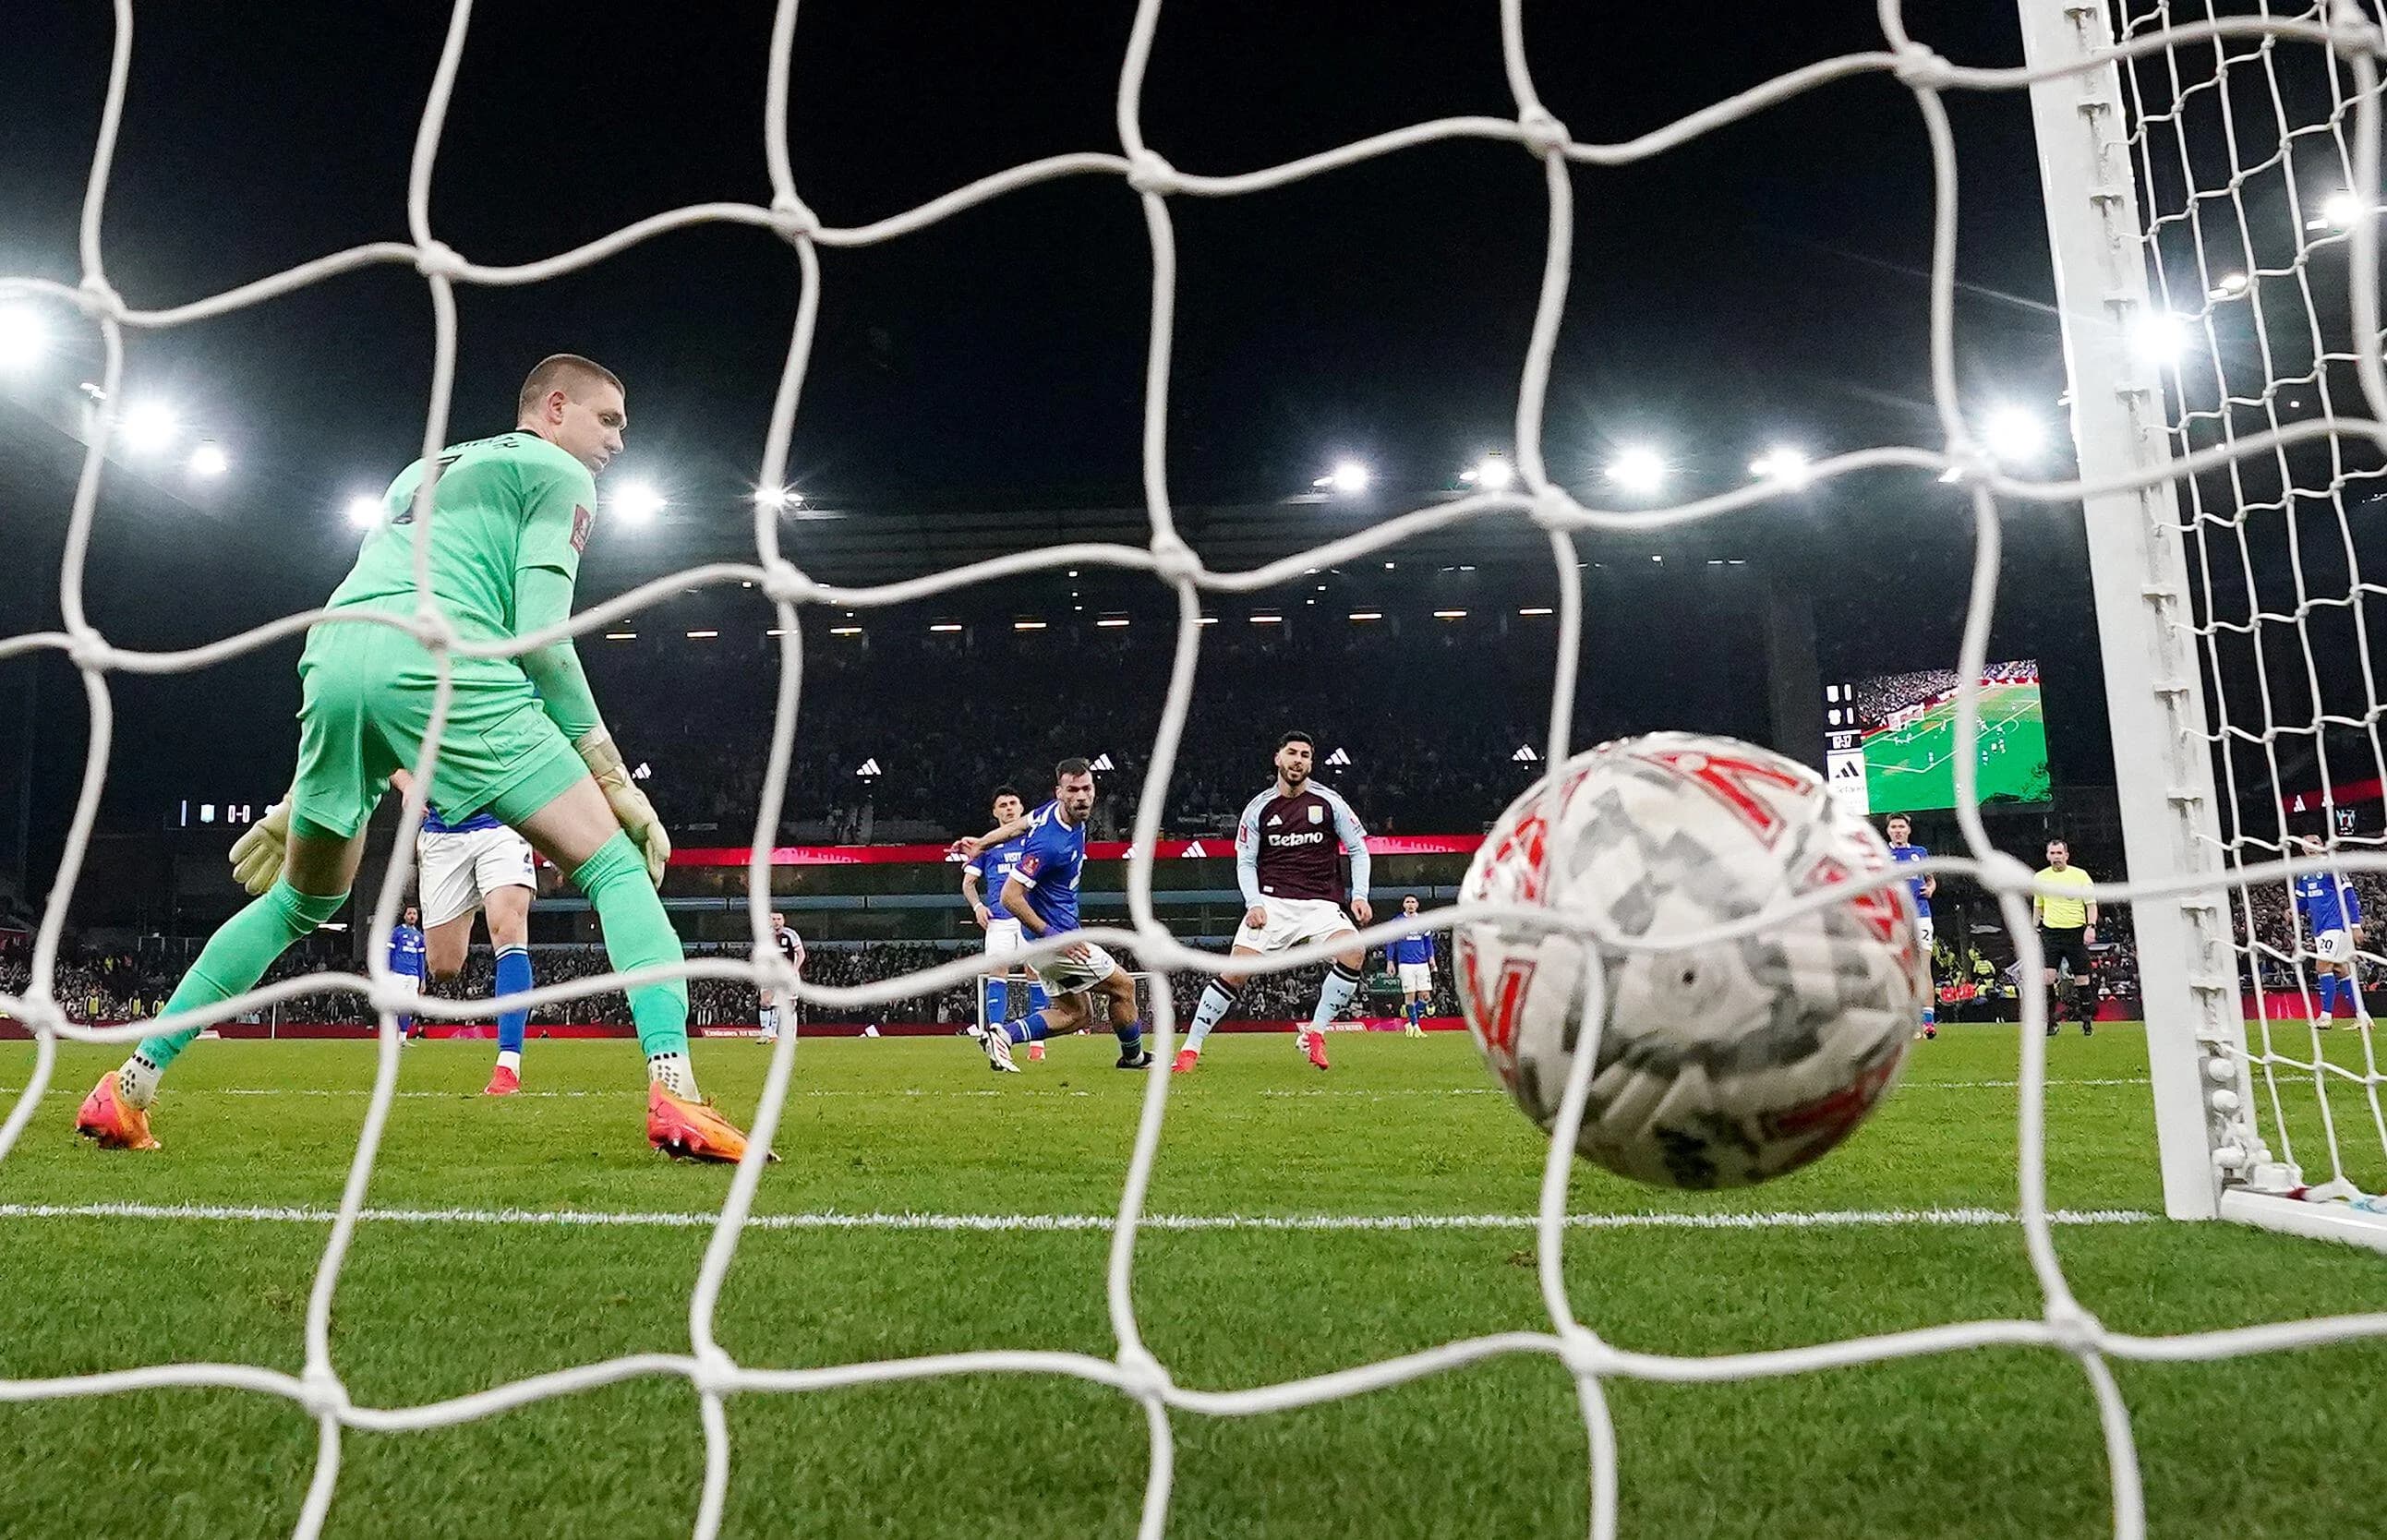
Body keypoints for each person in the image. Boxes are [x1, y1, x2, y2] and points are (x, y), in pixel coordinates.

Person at [75, 354, 758, 1161]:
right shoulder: (560, 474)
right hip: (441, 664)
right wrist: (612, 776)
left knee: (299, 902)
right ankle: (675, 1091)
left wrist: (317, 783)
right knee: (615, 864)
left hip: (336, 658)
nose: (618, 440)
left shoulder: (422, 470)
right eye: (608, 420)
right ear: (556, 407)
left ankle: (129, 1084)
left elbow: (376, 592)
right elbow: (542, 638)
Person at [1175, 731, 1372, 1074]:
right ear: (1277, 759)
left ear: (1311, 763)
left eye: (1305, 755)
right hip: (1273, 903)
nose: (1298, 760)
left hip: (1321, 905)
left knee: (1354, 951)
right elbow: (1246, 862)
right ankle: (1190, 1049)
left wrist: (1360, 895)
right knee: (1235, 973)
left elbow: (1358, 849)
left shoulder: (1330, 802)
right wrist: (1253, 903)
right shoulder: (1259, 808)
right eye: (1292, 753)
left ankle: (1315, 1033)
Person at [962, 759, 1150, 1073]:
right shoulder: (1049, 844)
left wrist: (981, 843)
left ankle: (1002, 1035)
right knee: (1124, 986)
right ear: (1060, 792)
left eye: (1086, 789)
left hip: (1038, 943)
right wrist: (1052, 934)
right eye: (1073, 790)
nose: (1081, 797)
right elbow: (1010, 897)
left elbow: (1017, 826)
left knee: (1076, 1014)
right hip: (1056, 940)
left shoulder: (1051, 812)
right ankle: (1134, 1058)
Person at [393, 767, 537, 1093]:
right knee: (443, 967)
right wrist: (407, 784)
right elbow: (379, 738)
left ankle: (508, 1065)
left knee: (508, 928)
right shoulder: (417, 714)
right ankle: (472, 897)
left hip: (503, 823)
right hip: (442, 832)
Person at [961, 786, 1043, 1061]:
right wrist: (977, 906)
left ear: (1021, 809)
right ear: (995, 812)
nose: (1009, 808)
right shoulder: (987, 845)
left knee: (1035, 973)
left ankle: (1037, 1042)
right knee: (998, 972)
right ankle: (996, 1032)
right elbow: (969, 883)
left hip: (1030, 918)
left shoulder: (1034, 839)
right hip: (999, 920)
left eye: (1013, 803)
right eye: (1003, 805)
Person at [2294, 834, 2366, 1029]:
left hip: (2335, 926)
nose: (2310, 847)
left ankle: (2325, 1017)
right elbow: (2302, 902)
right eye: (2306, 845)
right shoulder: (2302, 873)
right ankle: (2363, 1016)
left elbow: (2349, 895)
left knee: (2322, 966)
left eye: (2315, 843)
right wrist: (2292, 910)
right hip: (2319, 928)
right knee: (2341, 970)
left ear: (2322, 845)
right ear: (2302, 849)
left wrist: (2355, 924)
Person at [2031, 837, 2097, 1037]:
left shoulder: (2080, 876)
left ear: (2066, 855)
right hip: (2051, 932)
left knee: (2081, 979)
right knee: (2047, 978)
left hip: (2075, 931)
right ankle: (2051, 1023)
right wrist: (2034, 927)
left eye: (2059, 853)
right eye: (2052, 853)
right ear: (2047, 856)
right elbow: (2038, 905)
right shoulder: (2040, 878)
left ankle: (2086, 1023)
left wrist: (2090, 926)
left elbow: (2091, 904)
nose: (2056, 857)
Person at [1885, 813, 1937, 1041]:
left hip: (1921, 916)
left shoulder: (1920, 852)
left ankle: (1929, 1023)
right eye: (1894, 827)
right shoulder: (1881, 855)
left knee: (1924, 967)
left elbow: (1930, 879)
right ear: (1888, 831)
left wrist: (1932, 887)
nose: (1897, 830)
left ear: (1908, 830)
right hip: (1897, 918)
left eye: (1901, 827)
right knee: (1901, 970)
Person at [1387, 894, 1434, 1038]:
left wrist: (1431, 958)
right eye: (1408, 902)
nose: (1411, 904)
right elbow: (1391, 941)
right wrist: (1390, 961)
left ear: (1417, 905)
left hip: (1422, 963)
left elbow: (1427, 941)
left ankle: (1410, 1023)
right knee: (1410, 996)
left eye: (1413, 902)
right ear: (1404, 905)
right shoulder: (1398, 922)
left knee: (1425, 997)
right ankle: (1416, 1026)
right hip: (1405, 963)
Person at [759, 912, 806, 1043]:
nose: (776, 921)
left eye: (779, 919)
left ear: (783, 920)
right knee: (765, 1002)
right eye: (773, 919)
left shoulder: (791, 934)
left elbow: (801, 954)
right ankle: (766, 1033)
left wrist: (794, 970)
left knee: (790, 1005)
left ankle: (791, 1037)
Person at [391, 903, 427, 1042]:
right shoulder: (397, 932)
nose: (412, 916)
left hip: (413, 976)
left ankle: (403, 1038)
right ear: (405, 916)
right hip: (398, 973)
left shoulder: (419, 936)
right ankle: (391, 1036)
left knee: (408, 1006)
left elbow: (421, 959)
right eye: (409, 913)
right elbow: (390, 953)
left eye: (414, 914)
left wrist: (422, 979)